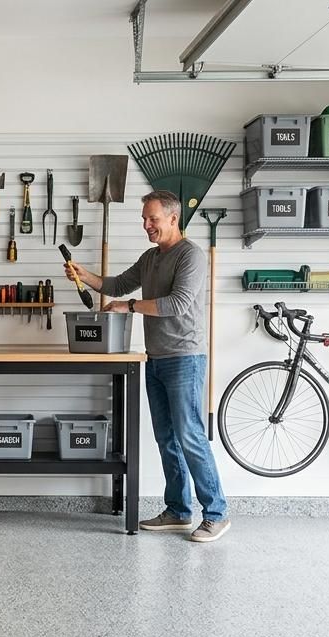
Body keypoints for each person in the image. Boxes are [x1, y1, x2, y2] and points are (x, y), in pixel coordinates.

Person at [64, 190, 229, 542]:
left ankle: (215, 513)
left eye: (152, 219)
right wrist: (85, 274)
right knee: (166, 438)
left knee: (190, 436)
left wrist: (130, 307)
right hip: (155, 357)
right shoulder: (151, 258)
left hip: (185, 357)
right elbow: (118, 285)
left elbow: (178, 304)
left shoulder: (191, 256)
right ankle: (179, 511)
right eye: (144, 219)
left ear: (173, 218)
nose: (146, 225)